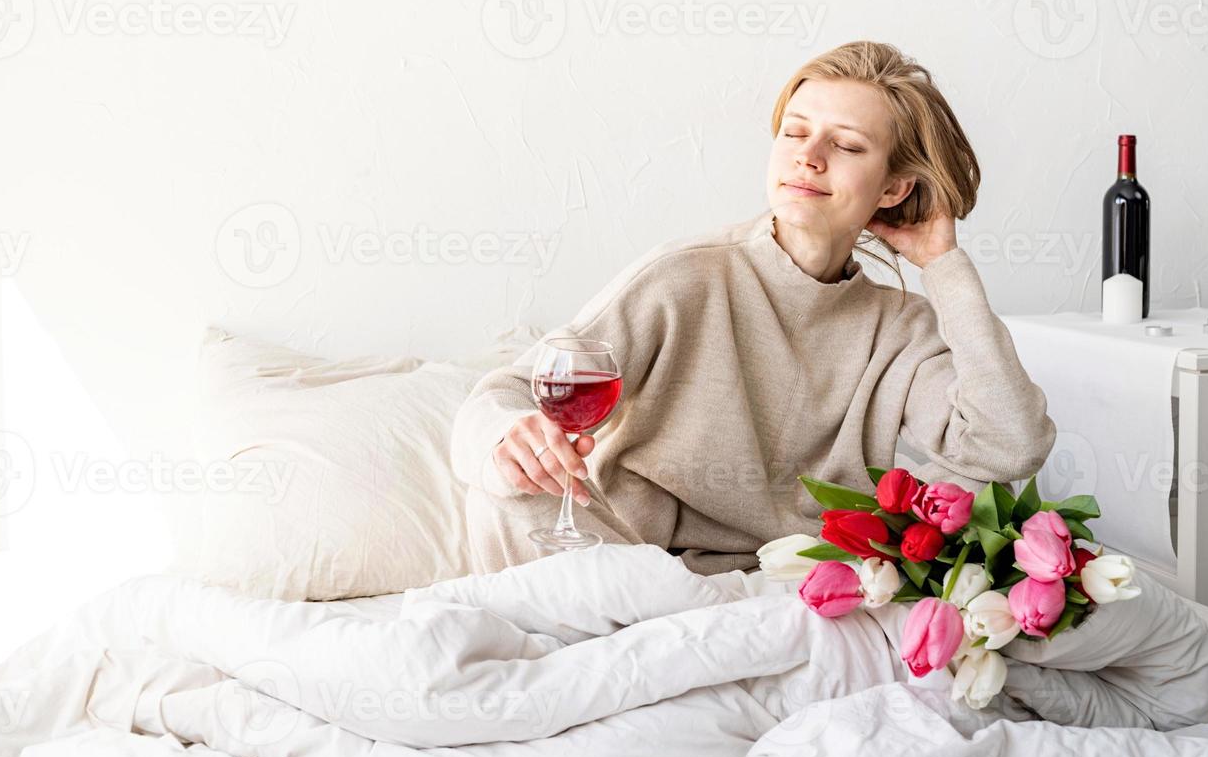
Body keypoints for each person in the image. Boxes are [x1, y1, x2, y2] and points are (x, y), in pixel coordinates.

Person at [450, 40, 1057, 577]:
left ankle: (689, 646)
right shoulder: (684, 275)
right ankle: (682, 640)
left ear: (894, 188)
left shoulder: (901, 327)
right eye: (795, 132)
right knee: (504, 495)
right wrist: (510, 437)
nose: (809, 156)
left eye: (845, 145)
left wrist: (944, 265)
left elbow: (1007, 449)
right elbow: (504, 392)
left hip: (794, 585)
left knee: (976, 494)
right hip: (636, 570)